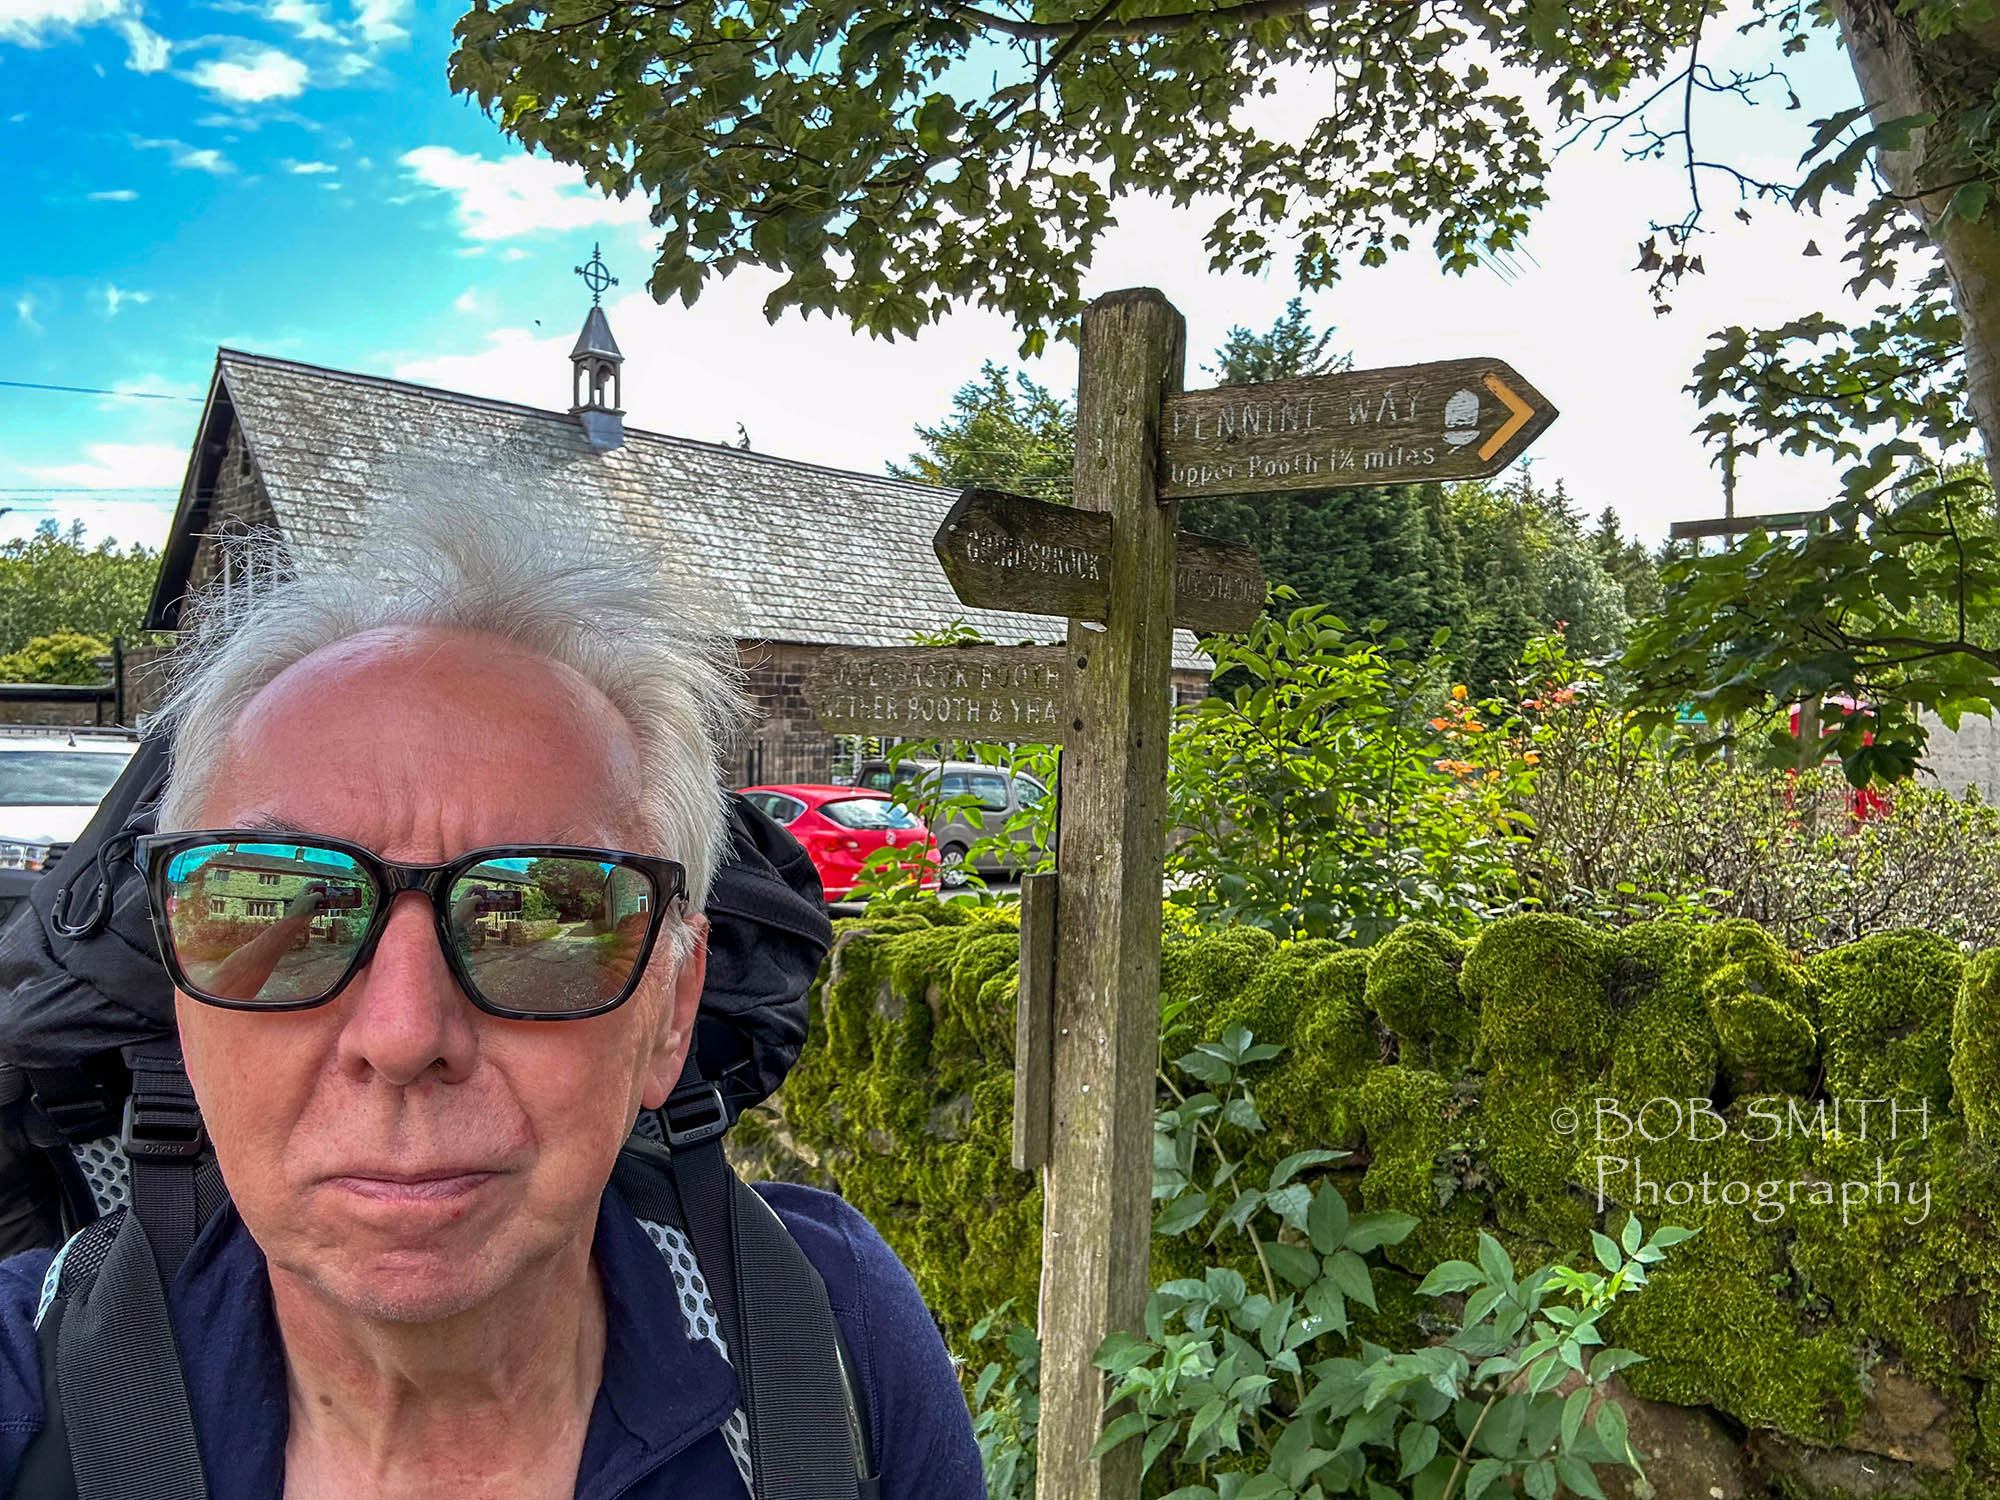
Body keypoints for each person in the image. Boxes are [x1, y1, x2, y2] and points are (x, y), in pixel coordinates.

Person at [0, 494, 986, 1499]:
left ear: (670, 1013)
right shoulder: (29, 1379)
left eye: (545, 919)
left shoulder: (829, 1334)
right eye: (281, 912)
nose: (402, 1033)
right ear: (180, 995)